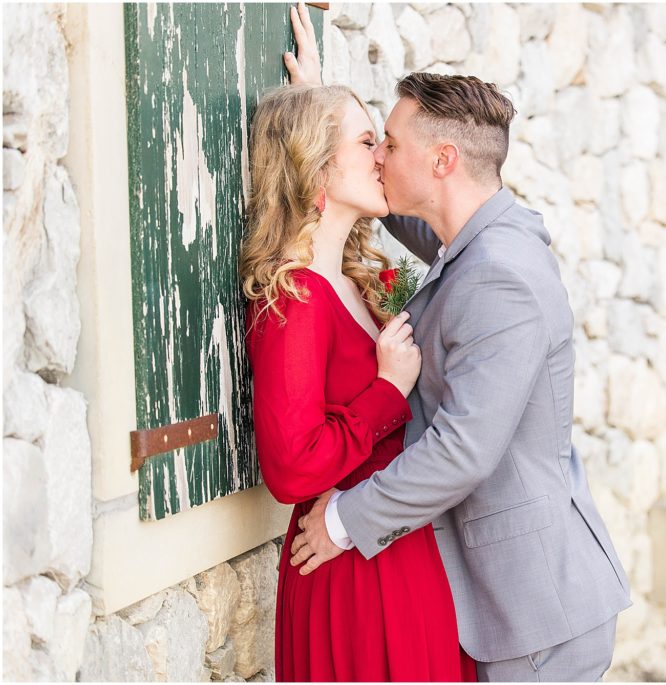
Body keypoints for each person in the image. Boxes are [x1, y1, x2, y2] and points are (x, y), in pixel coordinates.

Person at [283, 3, 632, 681]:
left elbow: (464, 447)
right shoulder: (481, 238)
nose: (378, 156)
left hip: (537, 615)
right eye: (372, 143)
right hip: (516, 599)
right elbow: (404, 217)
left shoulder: (501, 275)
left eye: (387, 142)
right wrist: (319, 125)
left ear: (442, 160)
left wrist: (345, 521)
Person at [240, 80, 476, 681]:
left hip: (394, 548)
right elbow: (292, 468)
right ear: (316, 165)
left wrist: (318, 87)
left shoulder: (351, 284)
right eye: (369, 141)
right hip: (348, 567)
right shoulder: (294, 299)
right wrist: (388, 391)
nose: (382, 157)